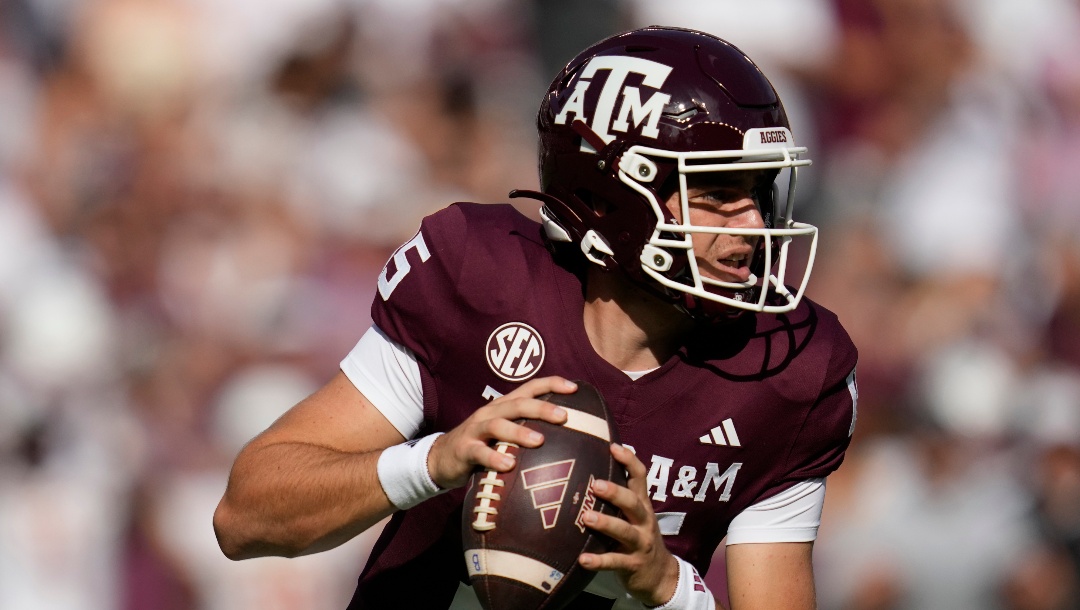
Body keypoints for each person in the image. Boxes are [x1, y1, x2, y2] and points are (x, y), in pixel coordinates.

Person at [213, 25, 858, 610]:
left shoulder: (787, 370)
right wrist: (432, 463)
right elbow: (243, 519)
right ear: (614, 198)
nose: (752, 226)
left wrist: (668, 588)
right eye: (718, 194)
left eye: (759, 191)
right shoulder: (481, 283)